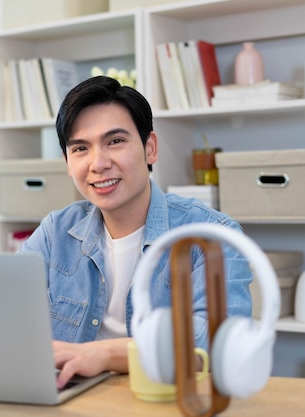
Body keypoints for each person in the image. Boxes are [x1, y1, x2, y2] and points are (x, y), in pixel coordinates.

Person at [17, 76, 252, 388]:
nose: (98, 164)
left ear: (150, 148)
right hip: (68, 402)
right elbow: (6, 321)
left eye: (115, 141)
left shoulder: (211, 235)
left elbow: (217, 345)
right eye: (81, 148)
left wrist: (100, 355)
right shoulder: (54, 233)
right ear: (67, 162)